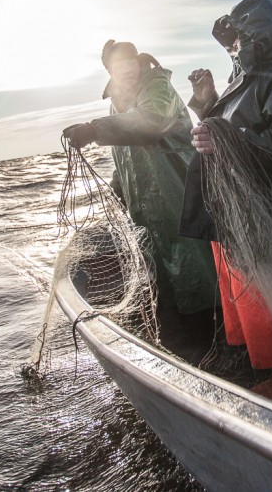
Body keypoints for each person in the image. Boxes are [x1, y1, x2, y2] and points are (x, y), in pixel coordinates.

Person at [178, 0, 272, 370]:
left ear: (260, 36)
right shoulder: (243, 81)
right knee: (247, 326)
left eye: (238, 39)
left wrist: (227, 139)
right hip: (239, 227)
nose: (232, 48)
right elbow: (234, 129)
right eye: (228, 41)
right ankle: (256, 372)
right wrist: (207, 102)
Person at [62, 40, 218, 341]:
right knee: (161, 275)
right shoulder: (115, 104)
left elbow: (152, 121)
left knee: (195, 269)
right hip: (145, 207)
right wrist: (118, 191)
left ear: (139, 62)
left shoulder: (158, 89)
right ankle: (182, 340)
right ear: (109, 71)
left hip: (179, 196)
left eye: (131, 62)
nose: (127, 70)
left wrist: (95, 130)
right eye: (119, 65)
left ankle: (215, 332)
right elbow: (126, 159)